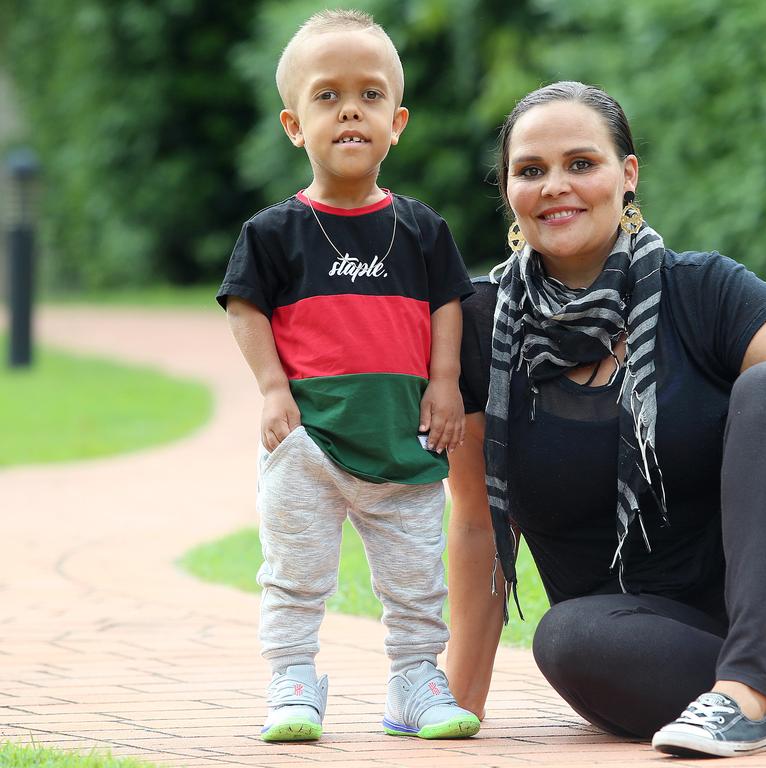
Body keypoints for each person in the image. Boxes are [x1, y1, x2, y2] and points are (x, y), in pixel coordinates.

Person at [446, 81, 766, 758]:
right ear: (508, 190)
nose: (556, 185)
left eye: (582, 163)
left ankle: (749, 696)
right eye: (531, 170)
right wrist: (460, 706)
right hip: (644, 638)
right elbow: (475, 523)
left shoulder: (703, 290)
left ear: (627, 175)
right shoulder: (482, 332)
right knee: (565, 639)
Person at [217, 9, 479, 743]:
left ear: (397, 122)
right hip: (307, 444)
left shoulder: (422, 229)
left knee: (415, 578)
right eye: (327, 96)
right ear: (294, 125)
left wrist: (446, 381)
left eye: (368, 95)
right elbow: (244, 307)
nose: (350, 110)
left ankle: (415, 680)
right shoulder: (273, 233)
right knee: (295, 573)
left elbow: (448, 304)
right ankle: (293, 678)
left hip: (405, 442)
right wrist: (273, 388)